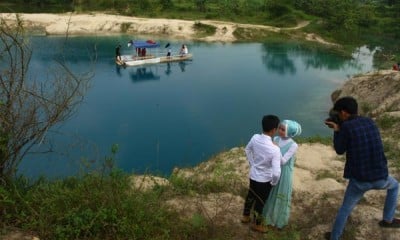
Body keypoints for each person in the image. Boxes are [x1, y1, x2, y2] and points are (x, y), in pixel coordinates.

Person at [324, 96, 400, 240]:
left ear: (344, 112)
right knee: (395, 186)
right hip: (381, 176)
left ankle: (334, 237)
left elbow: (340, 150)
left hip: (360, 180)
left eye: (339, 113)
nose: (338, 116)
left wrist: (336, 130)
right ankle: (388, 220)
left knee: (345, 208)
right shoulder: (370, 121)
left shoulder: (345, 127)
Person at [241, 114, 281, 233]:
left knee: (250, 195)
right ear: (274, 130)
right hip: (265, 180)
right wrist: (273, 182)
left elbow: (247, 150)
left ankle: (245, 216)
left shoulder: (255, 138)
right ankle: (257, 224)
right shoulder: (275, 149)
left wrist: (252, 163)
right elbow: (276, 172)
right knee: (260, 202)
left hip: (253, 175)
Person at [263, 119, 301, 229]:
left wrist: (276, 148)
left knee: (281, 193)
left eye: (283, 129)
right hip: (273, 170)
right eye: (279, 128)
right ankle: (267, 216)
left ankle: (278, 219)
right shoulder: (276, 139)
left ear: (290, 132)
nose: (279, 130)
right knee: (271, 192)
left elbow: (284, 161)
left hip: (284, 172)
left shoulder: (293, 145)